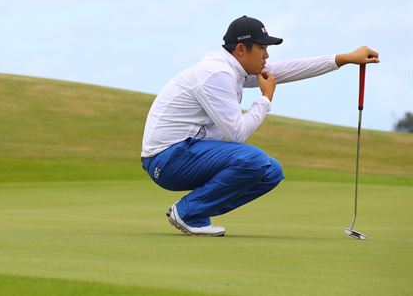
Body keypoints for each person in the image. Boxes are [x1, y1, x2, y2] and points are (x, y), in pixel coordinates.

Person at [141, 15, 379, 236]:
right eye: (262, 47)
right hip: (167, 158)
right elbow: (237, 134)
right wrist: (265, 99)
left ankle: (196, 212)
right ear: (242, 49)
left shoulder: (234, 69)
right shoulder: (217, 74)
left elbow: (286, 70)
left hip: (184, 153)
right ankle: (188, 212)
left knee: (270, 171)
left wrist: (344, 59)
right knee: (253, 160)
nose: (267, 55)